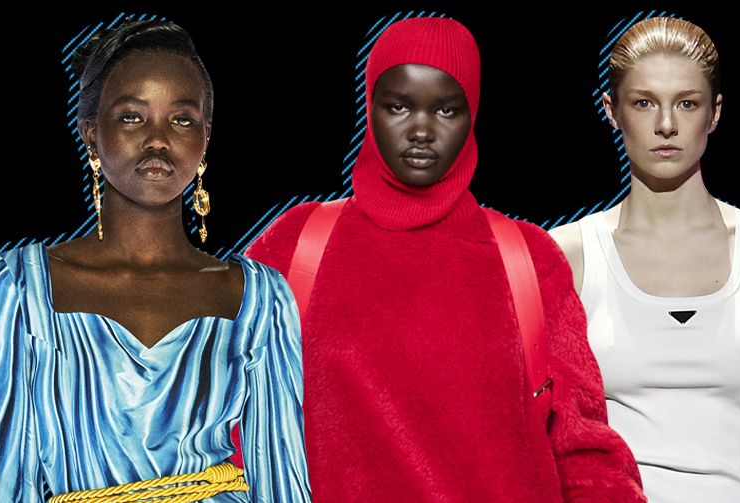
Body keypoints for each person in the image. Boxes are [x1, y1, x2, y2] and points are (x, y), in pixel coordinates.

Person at [246, 17, 645, 502]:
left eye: (446, 110)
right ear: (369, 107)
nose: (420, 130)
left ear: (472, 114)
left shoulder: (528, 260)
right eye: (398, 106)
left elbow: (583, 450)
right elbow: (226, 428)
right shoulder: (295, 248)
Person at [0, 18, 311, 502]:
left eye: (181, 119)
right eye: (133, 116)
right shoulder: (21, 288)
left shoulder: (259, 296)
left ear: (205, 139)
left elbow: (284, 480)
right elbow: (8, 481)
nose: (158, 140)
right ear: (91, 135)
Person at [549, 16, 740, 502]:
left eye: (686, 103)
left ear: (715, 112)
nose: (666, 124)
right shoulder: (566, 255)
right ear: (611, 110)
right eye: (644, 103)